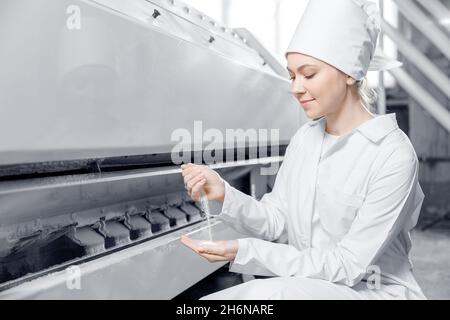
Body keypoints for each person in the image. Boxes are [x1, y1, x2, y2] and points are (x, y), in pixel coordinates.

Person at [180, 0, 426, 299]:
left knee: (260, 297)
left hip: (370, 291)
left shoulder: (392, 155)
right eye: (292, 75)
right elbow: (277, 221)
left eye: (308, 74)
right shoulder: (306, 139)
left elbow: (348, 265)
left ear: (350, 72)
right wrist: (223, 193)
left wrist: (244, 250)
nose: (296, 87)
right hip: (310, 284)